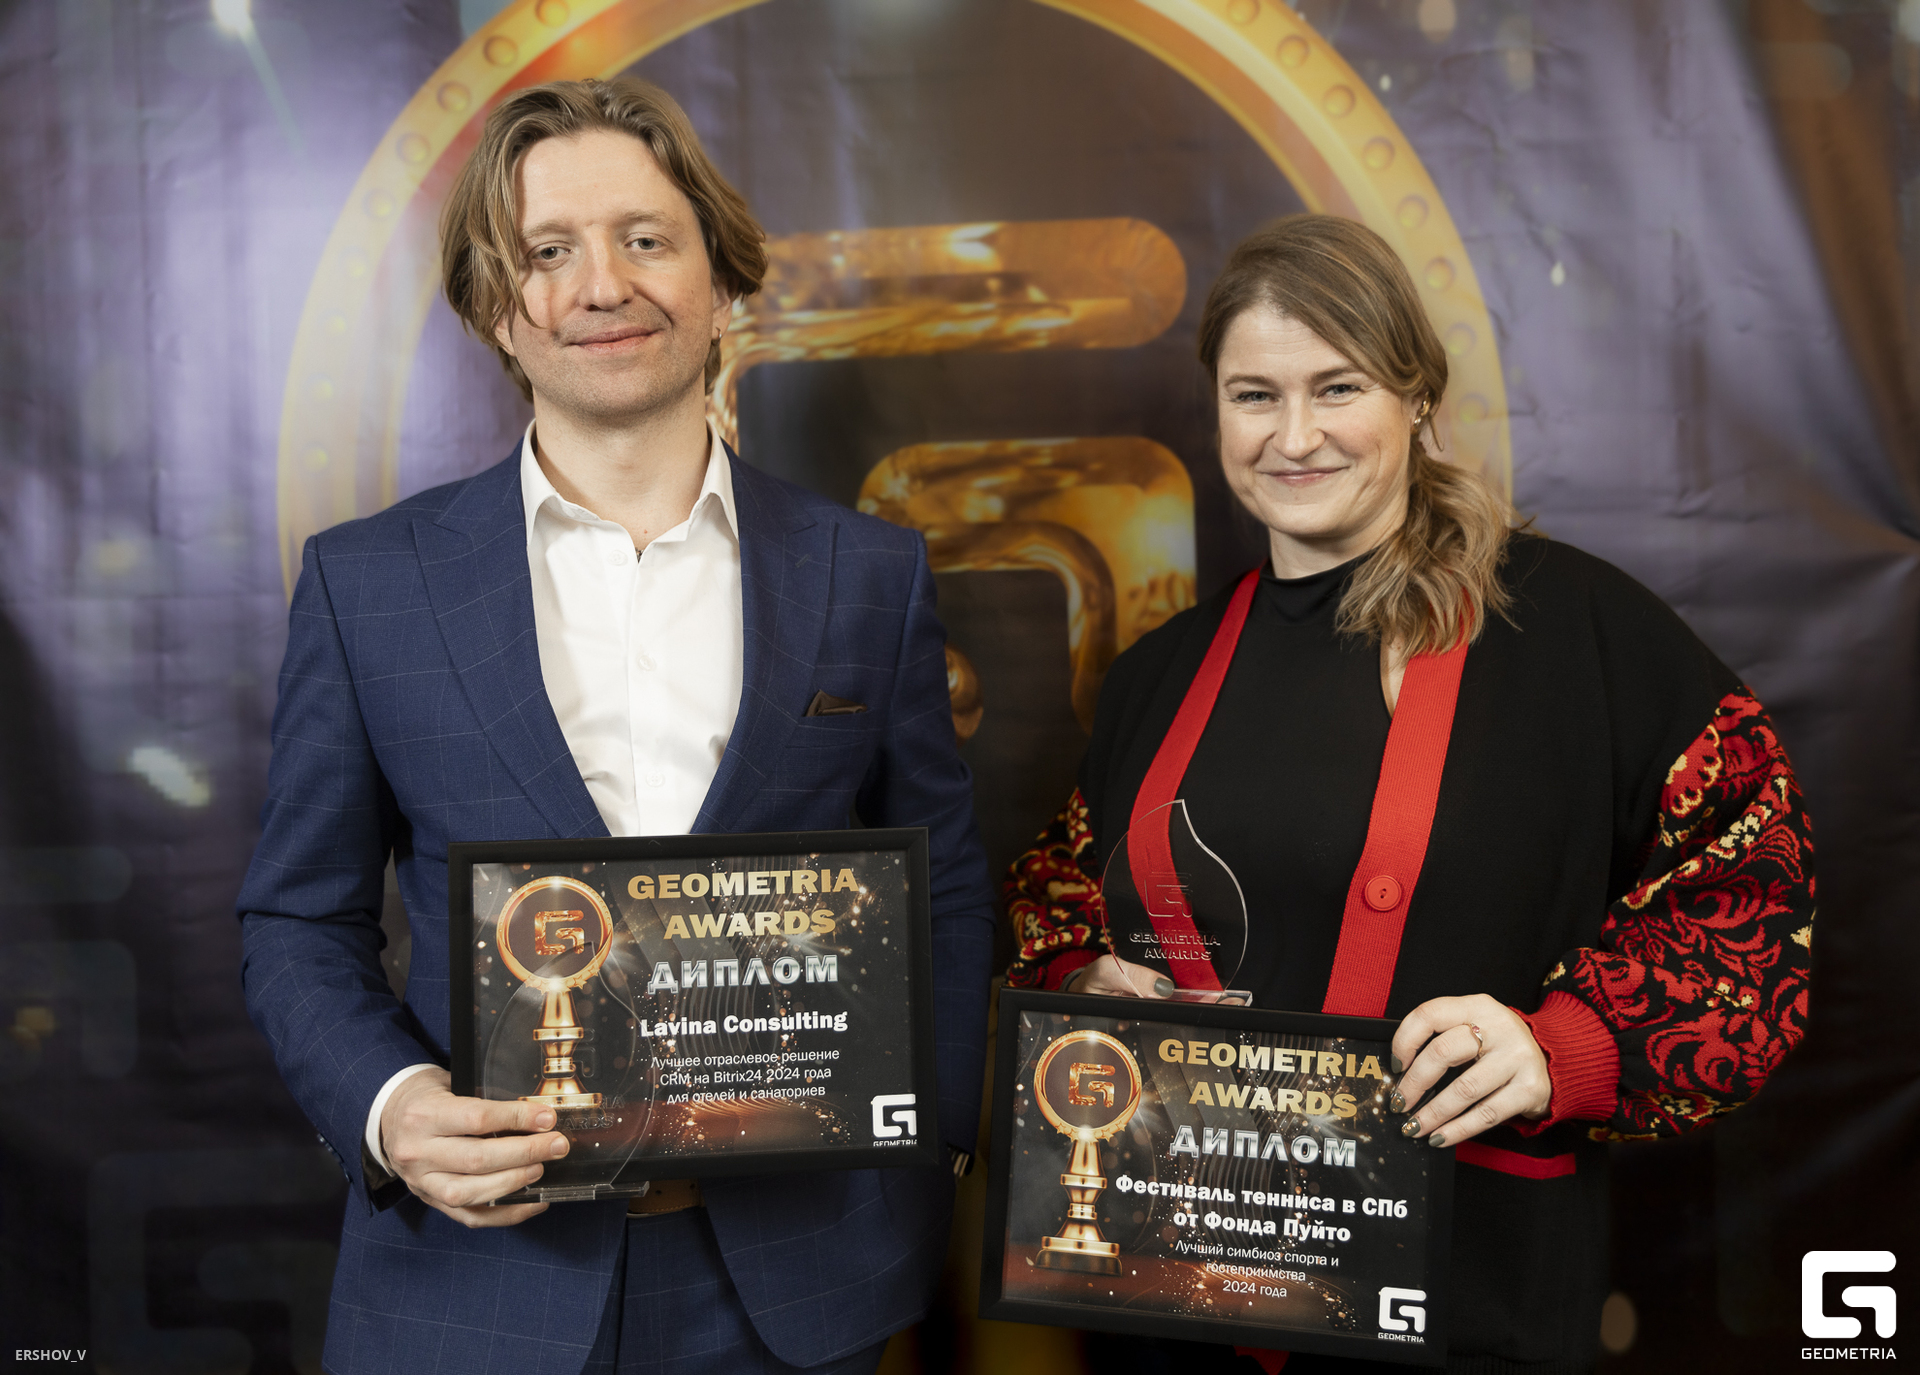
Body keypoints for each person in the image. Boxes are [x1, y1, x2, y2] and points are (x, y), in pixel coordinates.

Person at [236, 77, 994, 1375]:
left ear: (722, 280)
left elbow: (948, 886)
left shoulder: (867, 573)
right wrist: (392, 1107)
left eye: (646, 238)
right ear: (495, 306)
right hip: (476, 1286)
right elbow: (298, 918)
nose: (603, 285)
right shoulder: (369, 584)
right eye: (547, 251)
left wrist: (924, 1148)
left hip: (796, 1290)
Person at [1004, 214, 1814, 1372]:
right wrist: (1084, 980)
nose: (1294, 436)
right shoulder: (1157, 675)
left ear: (1417, 396)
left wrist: (1563, 1046)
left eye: (1337, 388)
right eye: (1254, 395)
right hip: (1177, 1300)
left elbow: (1754, 883)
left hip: (1468, 1301)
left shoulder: (1576, 633)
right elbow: (1055, 894)